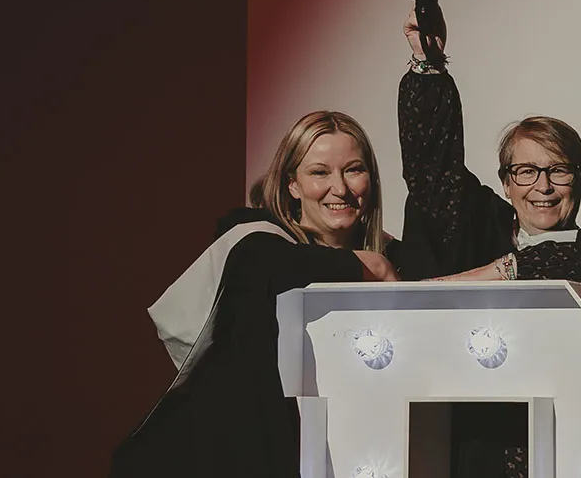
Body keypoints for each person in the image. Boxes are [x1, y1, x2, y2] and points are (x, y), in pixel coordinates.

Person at [393, 10, 581, 478]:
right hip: (482, 442)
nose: (543, 185)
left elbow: (561, 264)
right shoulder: (480, 233)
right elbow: (432, 169)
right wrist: (428, 67)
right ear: (505, 184)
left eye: (558, 170)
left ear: (579, 182)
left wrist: (475, 279)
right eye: (526, 171)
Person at [112, 111, 400, 478]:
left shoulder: (390, 256)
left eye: (353, 169)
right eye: (319, 172)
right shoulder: (256, 244)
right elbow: (268, 264)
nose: (339, 188)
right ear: (292, 184)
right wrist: (366, 266)